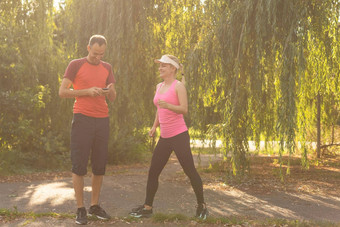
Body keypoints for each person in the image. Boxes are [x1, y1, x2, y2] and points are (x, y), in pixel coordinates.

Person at [129, 54, 208, 219]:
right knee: (153, 172)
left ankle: (202, 206)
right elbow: (159, 108)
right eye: (159, 66)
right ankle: (147, 207)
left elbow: (184, 109)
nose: (160, 68)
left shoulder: (178, 86)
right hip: (164, 137)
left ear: (173, 68)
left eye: (163, 66)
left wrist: (169, 106)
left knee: (190, 171)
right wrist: (154, 126)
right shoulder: (159, 86)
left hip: (179, 135)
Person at [59, 35, 116, 225]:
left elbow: (113, 97)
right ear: (88, 48)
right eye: (95, 53)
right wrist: (87, 91)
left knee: (99, 166)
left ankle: (94, 206)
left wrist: (110, 90)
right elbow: (63, 92)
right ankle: (80, 208)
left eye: (102, 54)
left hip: (102, 120)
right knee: (79, 165)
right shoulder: (75, 64)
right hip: (82, 119)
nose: (98, 57)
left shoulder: (107, 67)